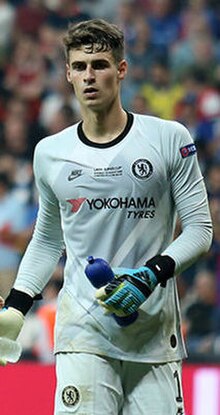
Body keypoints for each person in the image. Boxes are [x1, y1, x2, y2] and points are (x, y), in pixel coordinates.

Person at [0, 19, 213, 415]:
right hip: (83, 332)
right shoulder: (50, 152)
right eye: (79, 66)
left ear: (122, 69)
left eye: (99, 64)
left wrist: (150, 274)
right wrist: (16, 306)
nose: (89, 76)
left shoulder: (169, 139)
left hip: (153, 335)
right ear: (67, 73)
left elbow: (201, 230)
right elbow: (47, 240)